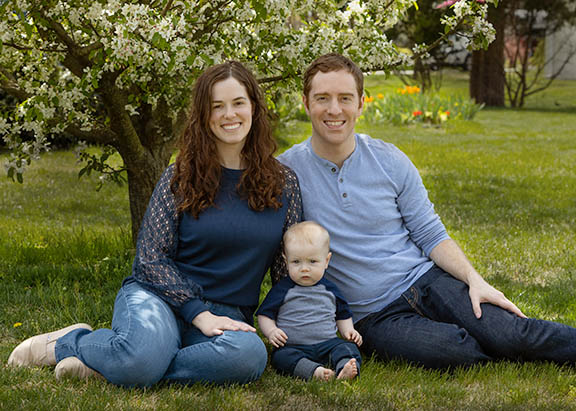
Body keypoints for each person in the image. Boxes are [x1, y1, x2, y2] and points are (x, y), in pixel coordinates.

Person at [7, 61, 303, 386]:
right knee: (141, 358)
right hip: (158, 299)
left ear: (254, 108)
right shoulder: (179, 176)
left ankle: (115, 365)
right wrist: (197, 313)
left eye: (238, 103)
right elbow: (150, 259)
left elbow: (286, 272)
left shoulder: (283, 183)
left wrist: (304, 337)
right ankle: (70, 343)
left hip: (228, 316)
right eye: (217, 106)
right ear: (204, 115)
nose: (229, 114)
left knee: (249, 356)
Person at [277, 53, 576, 369]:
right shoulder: (286, 172)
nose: (334, 109)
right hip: (375, 315)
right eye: (323, 98)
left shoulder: (389, 159)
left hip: (429, 281)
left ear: (361, 104)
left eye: (345, 98)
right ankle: (488, 339)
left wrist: (475, 280)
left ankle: (503, 337)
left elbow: (429, 232)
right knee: (453, 352)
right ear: (306, 103)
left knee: (513, 334)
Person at [257, 221, 362, 381]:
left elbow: (343, 313)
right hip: (294, 346)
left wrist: (348, 330)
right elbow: (264, 315)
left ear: (326, 261)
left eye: (312, 262)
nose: (304, 268)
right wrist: (271, 331)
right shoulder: (282, 289)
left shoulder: (330, 289)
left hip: (328, 343)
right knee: (281, 357)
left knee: (348, 348)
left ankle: (344, 368)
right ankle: (315, 372)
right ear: (286, 261)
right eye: (296, 262)